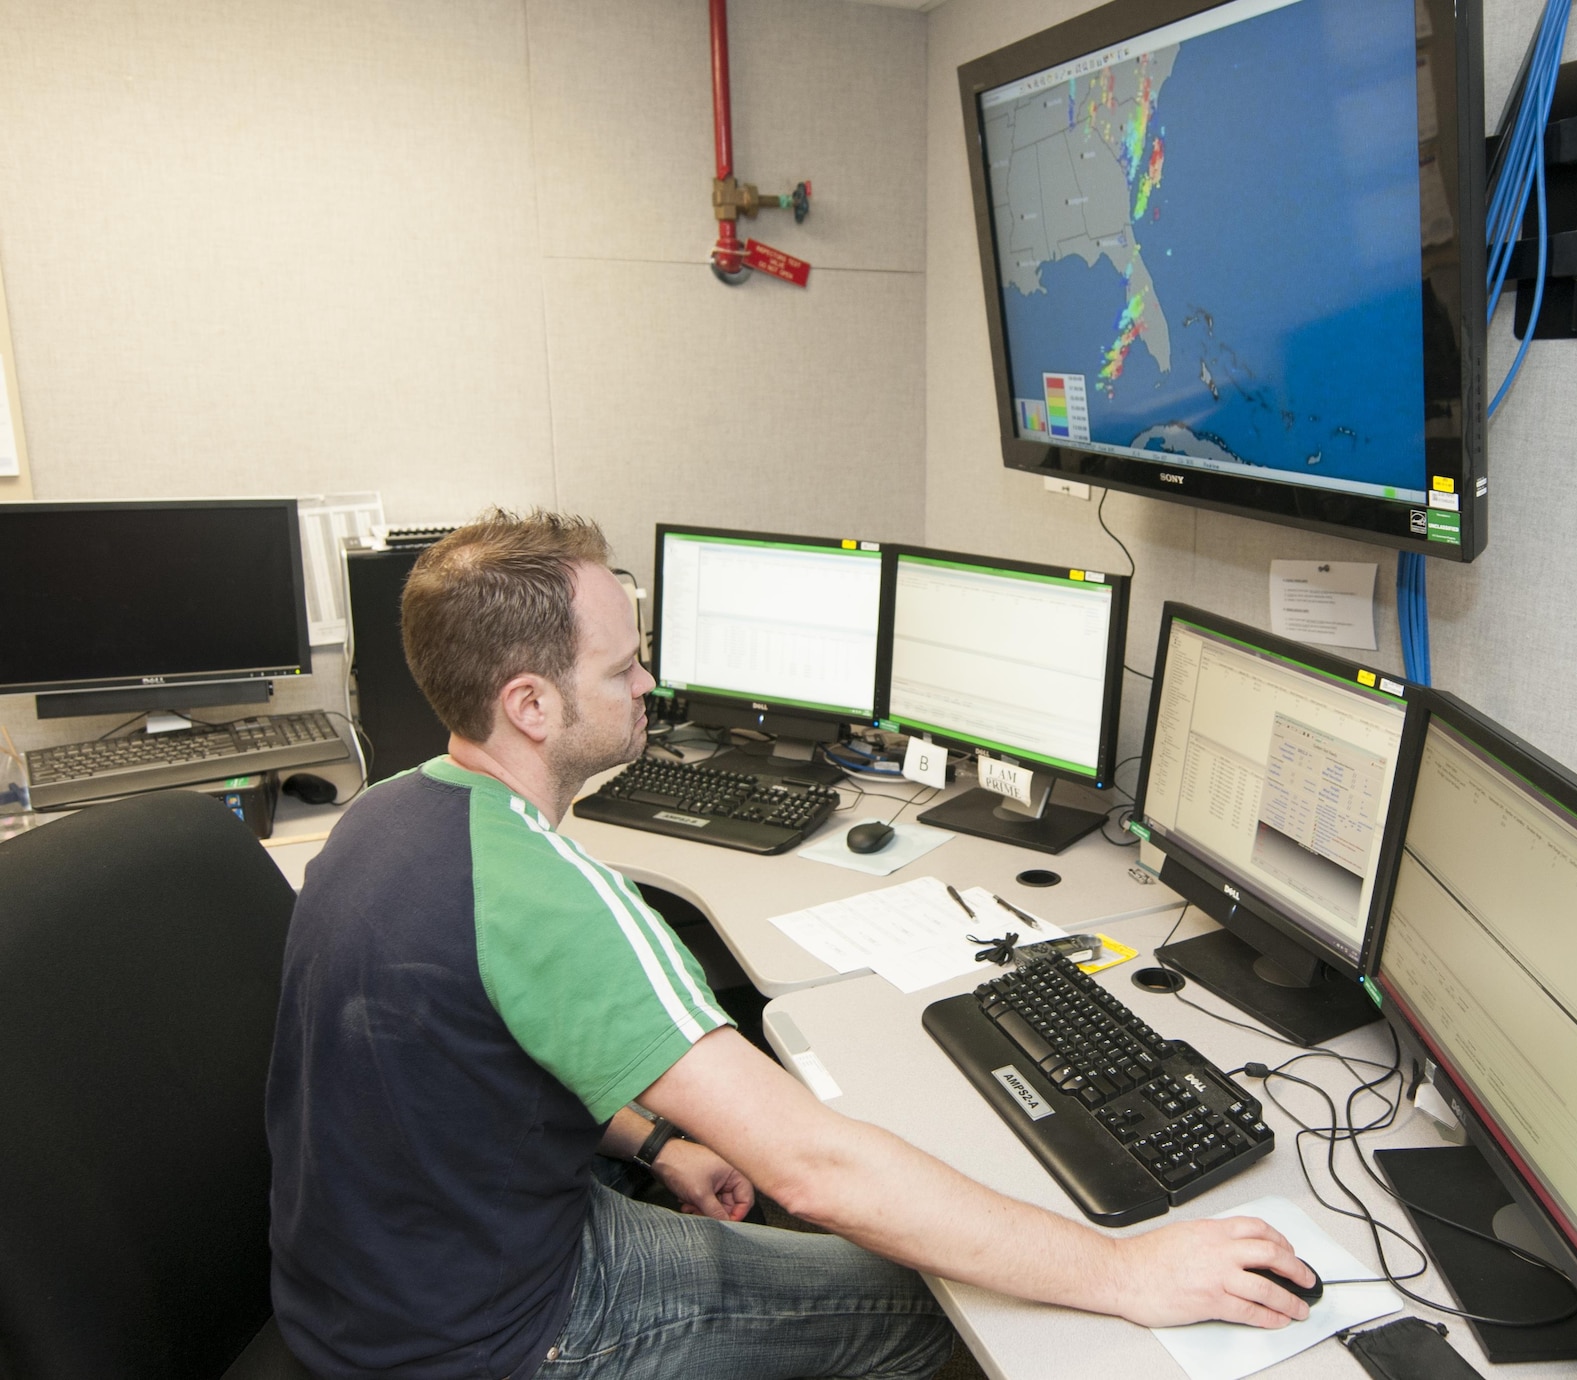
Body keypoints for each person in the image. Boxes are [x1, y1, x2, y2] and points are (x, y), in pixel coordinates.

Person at [266, 510, 1315, 1380]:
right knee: (935, 1312)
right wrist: (1126, 1273)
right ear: (530, 705)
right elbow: (814, 1171)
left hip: (370, 1289)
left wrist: (660, 1142)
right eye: (626, 667)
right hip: (494, 1336)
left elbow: (459, 1074)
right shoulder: (551, 896)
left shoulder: (387, 815)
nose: (649, 688)